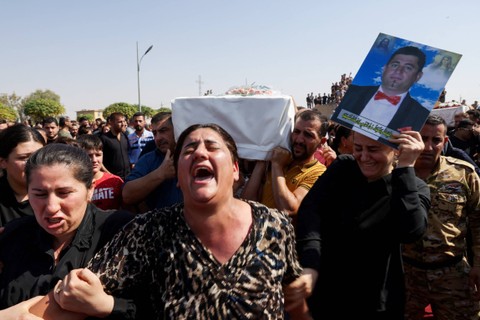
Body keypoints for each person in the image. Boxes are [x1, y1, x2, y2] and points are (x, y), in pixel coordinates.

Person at [24, 123, 305, 319]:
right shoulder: (148, 230)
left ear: (234, 170)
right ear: (178, 176)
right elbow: (74, 294)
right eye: (189, 149)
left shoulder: (274, 223)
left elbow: (293, 294)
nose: (199, 152)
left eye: (211, 146)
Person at [289, 129, 430, 319]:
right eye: (358, 148)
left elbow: (411, 231)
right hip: (325, 294)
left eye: (373, 149)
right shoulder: (343, 168)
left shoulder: (412, 187)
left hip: (374, 303)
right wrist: (310, 264)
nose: (364, 157)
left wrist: (405, 166)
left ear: (395, 150)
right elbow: (310, 211)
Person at [0, 143, 133, 310]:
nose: (51, 207)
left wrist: (108, 306)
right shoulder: (13, 236)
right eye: (39, 194)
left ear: (90, 190)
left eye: (64, 193)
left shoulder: (123, 232)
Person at [402, 114, 480, 319]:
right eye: (422, 138)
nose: (428, 147)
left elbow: (478, 220)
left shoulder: (463, 173)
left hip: (452, 274)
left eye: (435, 140)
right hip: (406, 274)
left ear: (445, 141)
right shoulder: (396, 172)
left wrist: (479, 264)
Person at [241, 109, 326, 227]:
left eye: (308, 135)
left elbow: (288, 210)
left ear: (321, 142)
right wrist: (262, 160)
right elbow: (247, 201)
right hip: (259, 237)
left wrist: (276, 165)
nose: (299, 140)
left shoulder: (318, 172)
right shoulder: (279, 160)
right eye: (296, 132)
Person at [332, 46, 429, 145]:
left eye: (408, 68)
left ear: (418, 76)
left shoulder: (420, 115)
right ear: (385, 68)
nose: (398, 71)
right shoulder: (352, 94)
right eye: (395, 65)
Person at [122, 111, 182, 213]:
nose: (158, 138)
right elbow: (127, 195)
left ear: (176, 130)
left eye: (163, 131)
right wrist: (161, 173)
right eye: (154, 133)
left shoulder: (194, 157)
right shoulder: (148, 160)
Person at [0, 124, 45, 226]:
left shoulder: (57, 194)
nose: (34, 163)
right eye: (24, 158)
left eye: (39, 156)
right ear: (3, 162)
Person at [76, 134, 124, 211]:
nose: (94, 160)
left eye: (98, 155)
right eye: (89, 155)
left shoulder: (115, 181)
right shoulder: (75, 183)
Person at [99, 112, 130, 180]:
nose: (123, 124)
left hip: (127, 177)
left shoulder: (124, 136)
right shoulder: (104, 139)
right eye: (120, 122)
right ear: (111, 122)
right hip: (111, 178)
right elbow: (99, 160)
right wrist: (109, 175)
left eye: (124, 121)